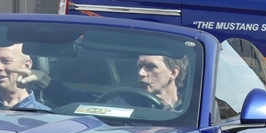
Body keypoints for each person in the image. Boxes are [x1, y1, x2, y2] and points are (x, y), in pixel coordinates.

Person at [18, 53, 188, 111]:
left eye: (150, 67)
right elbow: (80, 102)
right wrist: (45, 81)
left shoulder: (192, 109)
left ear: (173, 72)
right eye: (139, 67)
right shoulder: (124, 103)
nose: (141, 73)